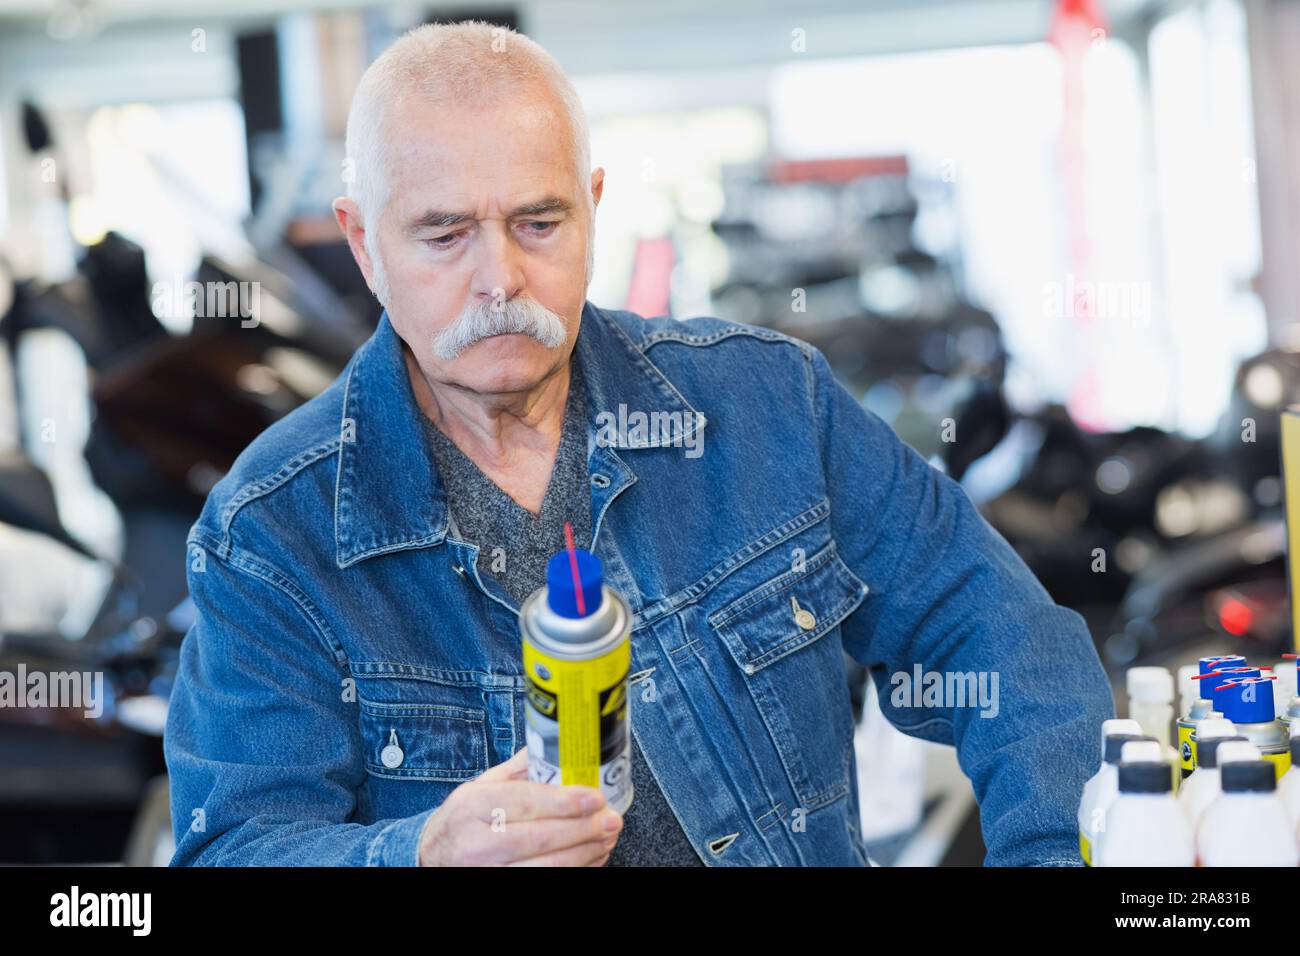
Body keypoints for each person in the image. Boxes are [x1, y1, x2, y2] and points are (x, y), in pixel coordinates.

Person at [164, 19, 1113, 867]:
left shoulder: (766, 405)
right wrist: (417, 856)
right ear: (364, 244)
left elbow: (1002, 636)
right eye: (443, 235)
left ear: (594, 206)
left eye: (539, 222)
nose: (500, 279)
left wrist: (1051, 856)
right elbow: (234, 844)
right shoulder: (273, 535)